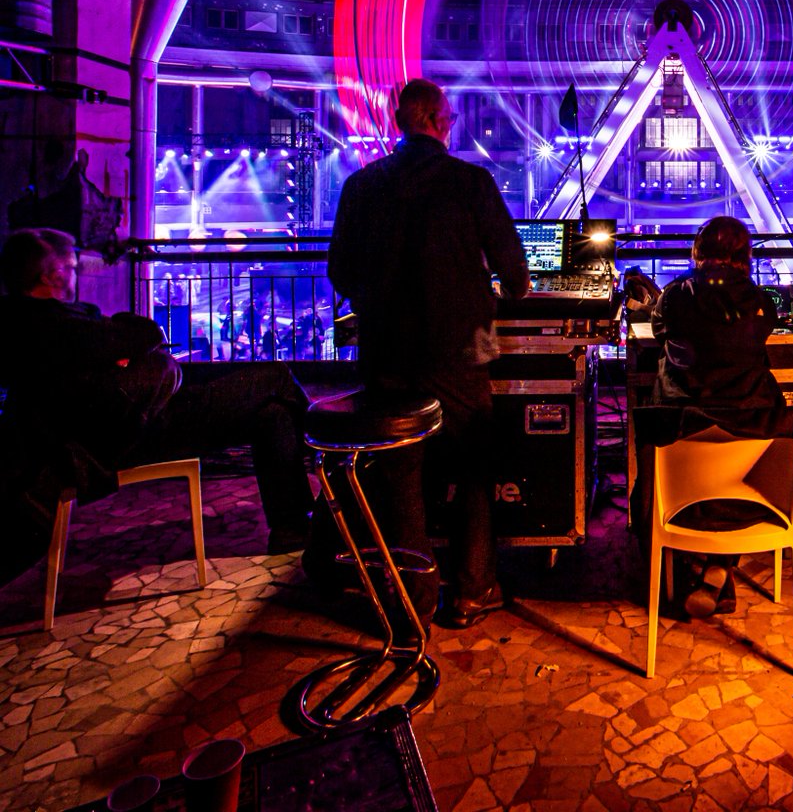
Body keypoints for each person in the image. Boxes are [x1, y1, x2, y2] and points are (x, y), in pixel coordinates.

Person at [315, 78, 530, 630]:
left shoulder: (362, 186)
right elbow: (516, 274)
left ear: (398, 122)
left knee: (400, 472)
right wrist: (491, 292)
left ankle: (412, 597)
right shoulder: (471, 182)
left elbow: (340, 271)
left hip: (387, 353)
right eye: (451, 118)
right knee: (475, 466)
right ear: (437, 120)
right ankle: (473, 590)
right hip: (458, 353)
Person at [0, 228, 315, 584]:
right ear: (51, 274)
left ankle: (292, 530)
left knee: (270, 414)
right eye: (71, 267)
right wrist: (123, 344)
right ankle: (330, 457)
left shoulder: (28, 322)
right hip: (138, 432)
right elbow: (146, 333)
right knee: (275, 377)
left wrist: (123, 354)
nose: (75, 274)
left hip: (132, 423)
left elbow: (122, 347)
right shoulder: (49, 324)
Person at [631, 216, 793, 618]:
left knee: (679, 448)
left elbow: (663, 333)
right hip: (752, 478)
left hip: (682, 466)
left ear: (698, 252)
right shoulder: (762, 304)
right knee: (733, 475)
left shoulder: (672, 297)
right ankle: (720, 568)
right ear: (745, 255)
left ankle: (692, 562)